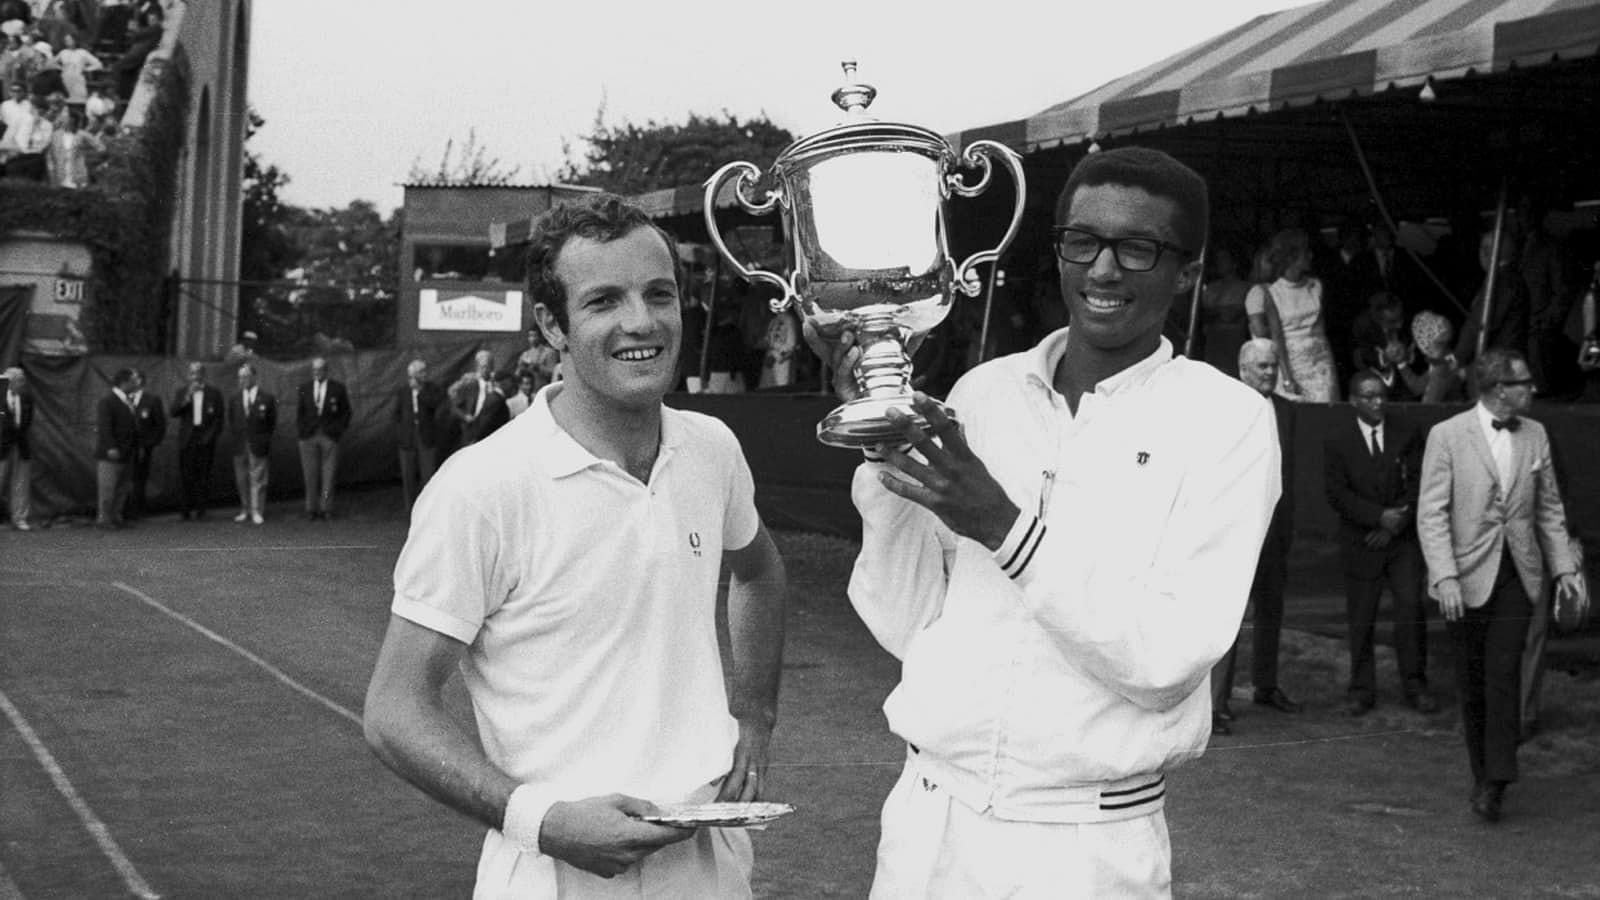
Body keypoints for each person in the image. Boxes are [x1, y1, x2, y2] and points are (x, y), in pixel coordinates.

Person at [808, 147, 1280, 896]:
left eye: (1138, 248)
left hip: (1084, 846)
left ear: (1186, 272)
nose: (1103, 270)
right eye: (1082, 242)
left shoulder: (1228, 421)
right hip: (929, 823)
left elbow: (1166, 660)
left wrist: (1004, 527)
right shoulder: (983, 392)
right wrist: (886, 466)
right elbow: (906, 622)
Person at [363, 193, 788, 897]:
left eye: (659, 294)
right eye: (604, 301)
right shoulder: (482, 486)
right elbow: (394, 710)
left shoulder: (711, 449)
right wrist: (544, 821)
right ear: (551, 326)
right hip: (556, 871)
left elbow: (760, 572)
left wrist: (756, 716)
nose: (641, 322)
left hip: (710, 856)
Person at [1417, 348, 1581, 823]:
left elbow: (1549, 509)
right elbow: (1432, 513)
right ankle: (1482, 772)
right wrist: (1444, 574)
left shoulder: (1536, 435)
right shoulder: (1446, 435)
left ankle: (1497, 779)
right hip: (1464, 576)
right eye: (1524, 383)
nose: (1532, 390)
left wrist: (1565, 567)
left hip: (1518, 573)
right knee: (1471, 682)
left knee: (1503, 671)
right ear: (1497, 390)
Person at [1324, 370, 1434, 717]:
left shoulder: (1407, 430)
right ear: (1354, 400)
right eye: (1369, 396)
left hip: (1401, 541)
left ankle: (1415, 685)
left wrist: (1392, 523)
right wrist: (1376, 517)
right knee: (1361, 617)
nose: (1377, 402)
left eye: (1381, 395)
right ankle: (1361, 689)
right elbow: (1337, 493)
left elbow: (1420, 481)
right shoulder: (1338, 439)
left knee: (1410, 610)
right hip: (1361, 542)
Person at [1210, 338, 1301, 736]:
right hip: (1235, 528)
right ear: (1243, 368)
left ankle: (1265, 684)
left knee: (1271, 609)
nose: (1269, 373)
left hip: (1276, 527)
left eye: (1273, 365)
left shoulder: (1288, 412)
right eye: (1262, 366)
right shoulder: (1225, 407)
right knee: (1227, 616)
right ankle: (1215, 703)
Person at [1247, 228, 1340, 402]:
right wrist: (1288, 377)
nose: (1311, 255)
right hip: (1291, 362)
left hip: (1320, 363)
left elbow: (1321, 330)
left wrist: (1327, 367)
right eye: (1306, 252)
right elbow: (1277, 337)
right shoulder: (1272, 293)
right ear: (1291, 256)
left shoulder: (1316, 286)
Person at [294, 356, 351, 521]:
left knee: (329, 474)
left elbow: (346, 413)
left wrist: (337, 431)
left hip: (329, 436)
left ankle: (326, 509)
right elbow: (300, 413)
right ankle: (311, 509)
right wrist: (302, 431)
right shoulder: (304, 388)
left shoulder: (338, 388)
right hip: (308, 437)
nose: (317, 373)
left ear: (326, 370)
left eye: (320, 369)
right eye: (314, 370)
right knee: (309, 474)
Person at [171, 360, 222, 520]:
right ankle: (185, 510)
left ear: (203, 374)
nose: (196, 376)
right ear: (188, 375)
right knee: (186, 475)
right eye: (192, 373)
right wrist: (187, 397)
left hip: (205, 438)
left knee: (204, 475)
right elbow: (173, 412)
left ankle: (201, 510)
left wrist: (210, 437)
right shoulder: (182, 392)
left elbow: (219, 419)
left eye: (198, 372)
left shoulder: (214, 393)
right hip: (188, 439)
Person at [392, 358, 445, 510]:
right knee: (408, 475)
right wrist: (401, 433)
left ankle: (427, 506)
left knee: (428, 474)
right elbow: (396, 414)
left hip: (426, 436)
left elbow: (435, 404)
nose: (425, 374)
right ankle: (410, 507)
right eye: (421, 372)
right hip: (408, 437)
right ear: (413, 374)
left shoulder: (432, 389)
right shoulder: (403, 391)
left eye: (425, 371)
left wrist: (419, 392)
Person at [227, 362, 274, 525]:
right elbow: (232, 421)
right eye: (240, 377)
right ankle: (245, 509)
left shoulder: (267, 398)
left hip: (258, 444)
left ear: (254, 377)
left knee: (258, 479)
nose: (242, 380)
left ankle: (257, 511)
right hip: (239, 445)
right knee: (241, 479)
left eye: (246, 376)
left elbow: (271, 423)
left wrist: (263, 440)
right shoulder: (234, 399)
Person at [93, 367, 137, 529]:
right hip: (111, 454)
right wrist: (111, 447)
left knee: (122, 488)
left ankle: (116, 516)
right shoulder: (107, 400)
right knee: (108, 489)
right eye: (133, 381)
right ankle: (104, 520)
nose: (136, 384)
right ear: (124, 382)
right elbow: (104, 426)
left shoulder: (128, 400)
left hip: (126, 452)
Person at [126, 368, 165, 520]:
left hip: (142, 448)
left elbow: (160, 426)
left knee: (139, 479)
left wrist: (149, 444)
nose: (131, 382)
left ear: (140, 381)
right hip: (125, 447)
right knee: (124, 478)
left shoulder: (152, 400)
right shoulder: (124, 398)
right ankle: (122, 509)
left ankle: (138, 510)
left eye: (133, 378)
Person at [449, 349, 509, 447]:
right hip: (471, 430)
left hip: (491, 431)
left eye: (488, 367)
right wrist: (465, 416)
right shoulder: (469, 384)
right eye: (482, 367)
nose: (485, 370)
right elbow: (454, 406)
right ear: (477, 367)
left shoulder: (497, 385)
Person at [1, 365, 32, 530]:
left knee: (20, 483)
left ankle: (19, 518)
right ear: (10, 382)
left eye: (23, 380)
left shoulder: (27, 397)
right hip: (2, 447)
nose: (23, 383)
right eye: (20, 380)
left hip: (20, 446)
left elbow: (27, 423)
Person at [50, 30, 98, 102]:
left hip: (78, 81)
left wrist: (87, 69)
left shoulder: (82, 52)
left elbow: (98, 64)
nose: (67, 41)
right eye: (66, 40)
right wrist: (60, 68)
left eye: (69, 39)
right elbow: (51, 63)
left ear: (75, 40)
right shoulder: (63, 52)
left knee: (78, 101)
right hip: (65, 80)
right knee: (65, 100)